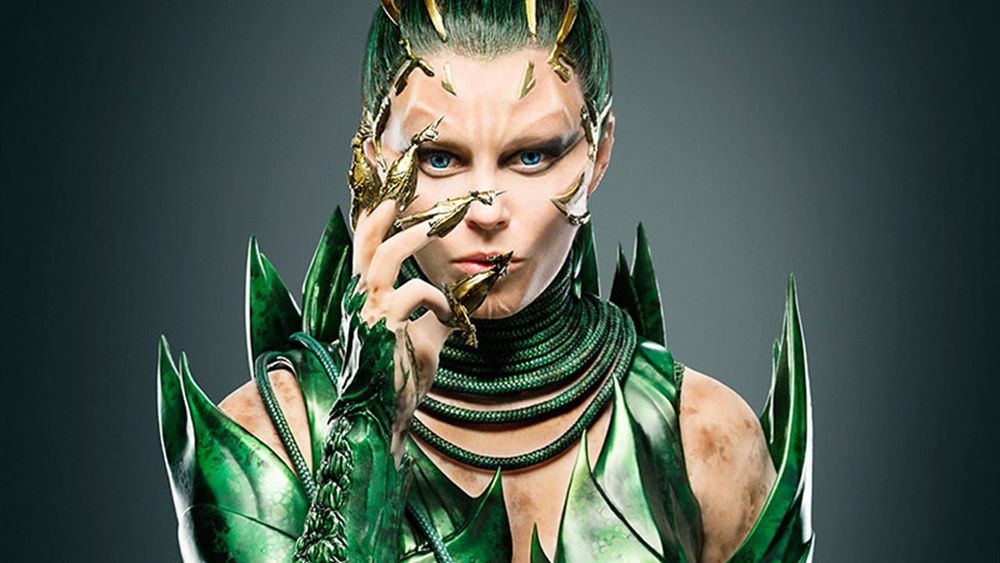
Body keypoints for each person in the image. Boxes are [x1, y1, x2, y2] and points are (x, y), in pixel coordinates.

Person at [158, 1, 813, 561]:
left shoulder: (703, 442)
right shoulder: (271, 439)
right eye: (439, 158)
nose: (486, 210)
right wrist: (366, 436)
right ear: (375, 156)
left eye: (531, 155)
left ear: (600, 150)